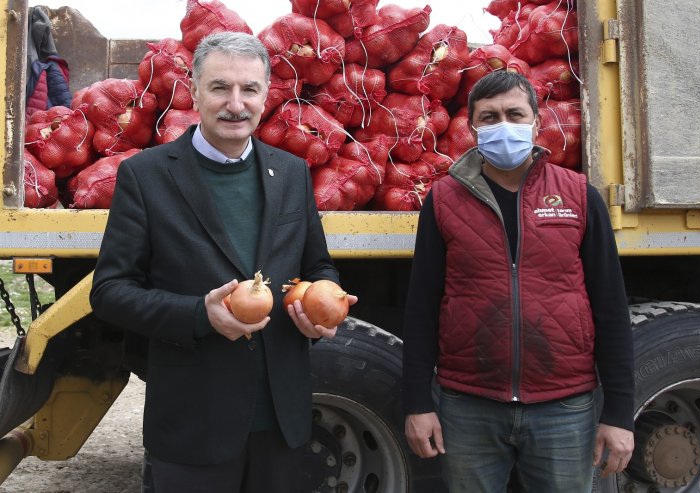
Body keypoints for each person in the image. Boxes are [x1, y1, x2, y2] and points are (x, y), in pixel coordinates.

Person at [90, 32, 355, 493]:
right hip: (195, 423)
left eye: (249, 89)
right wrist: (198, 316)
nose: (236, 103)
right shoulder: (146, 175)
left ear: (266, 94)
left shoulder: (291, 173)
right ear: (193, 92)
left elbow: (319, 266)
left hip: (280, 422)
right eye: (220, 88)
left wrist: (316, 307)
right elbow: (110, 292)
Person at [401, 70, 635, 492]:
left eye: (514, 114)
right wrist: (417, 403)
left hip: (563, 407)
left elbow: (611, 307)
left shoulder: (579, 195)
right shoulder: (443, 200)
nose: (502, 126)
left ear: (536, 123)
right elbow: (421, 306)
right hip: (467, 404)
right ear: (471, 128)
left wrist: (619, 412)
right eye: (489, 117)